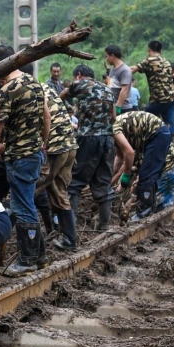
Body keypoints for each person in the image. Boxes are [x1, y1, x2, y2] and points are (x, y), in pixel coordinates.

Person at [0, 48, 49, 278]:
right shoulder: (34, 83)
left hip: (20, 158)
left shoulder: (8, 89)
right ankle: (39, 256)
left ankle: (28, 260)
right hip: (23, 154)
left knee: (23, 207)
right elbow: (46, 117)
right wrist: (43, 143)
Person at [61, 65, 116, 233]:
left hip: (88, 138)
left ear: (78, 75)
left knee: (75, 183)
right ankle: (104, 226)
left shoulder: (80, 84)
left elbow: (61, 96)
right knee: (103, 182)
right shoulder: (108, 90)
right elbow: (114, 116)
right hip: (107, 139)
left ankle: (70, 231)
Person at [111, 111, 174, 220]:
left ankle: (144, 215)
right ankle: (158, 210)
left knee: (148, 181)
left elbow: (129, 155)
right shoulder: (132, 145)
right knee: (155, 182)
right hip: (170, 149)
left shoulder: (111, 128)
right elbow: (120, 160)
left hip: (164, 144)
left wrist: (126, 176)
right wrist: (110, 183)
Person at [42, 84, 79, 251]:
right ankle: (68, 238)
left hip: (55, 147)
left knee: (30, 188)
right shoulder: (46, 88)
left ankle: (32, 246)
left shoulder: (20, 88)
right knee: (59, 192)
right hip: (69, 144)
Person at [131, 40, 174, 137]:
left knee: (143, 118)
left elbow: (133, 70)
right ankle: (172, 143)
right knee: (170, 123)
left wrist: (117, 70)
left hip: (159, 99)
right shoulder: (166, 62)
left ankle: (142, 139)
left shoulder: (149, 60)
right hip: (172, 98)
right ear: (160, 51)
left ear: (149, 50)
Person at [104, 45, 136, 114]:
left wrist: (118, 107)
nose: (106, 59)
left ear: (112, 55)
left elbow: (124, 89)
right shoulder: (112, 70)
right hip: (113, 107)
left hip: (123, 108)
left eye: (107, 56)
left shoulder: (124, 70)